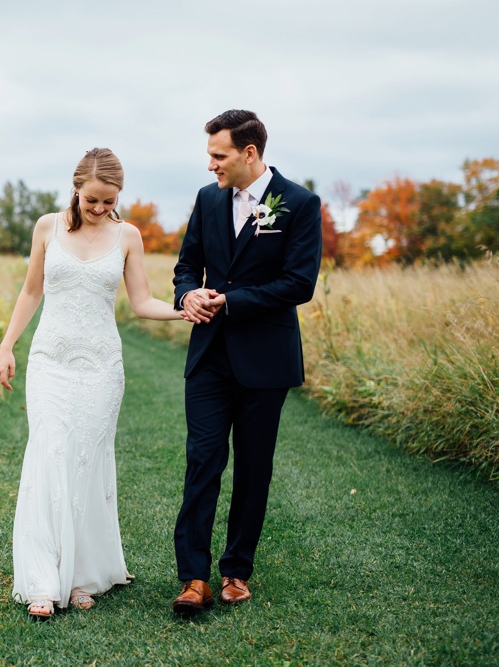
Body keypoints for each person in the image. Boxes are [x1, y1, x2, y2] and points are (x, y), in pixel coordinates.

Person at [0, 148, 186, 619]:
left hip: (101, 367)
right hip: (49, 361)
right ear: (77, 187)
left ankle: (82, 575)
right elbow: (31, 291)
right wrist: (6, 346)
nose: (101, 209)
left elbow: (142, 301)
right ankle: (43, 578)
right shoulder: (47, 227)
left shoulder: (128, 236)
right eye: (93, 200)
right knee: (49, 453)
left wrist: (186, 310)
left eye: (110, 201)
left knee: (87, 462)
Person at [170, 110, 322, 613]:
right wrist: (189, 294)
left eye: (219, 155)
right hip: (210, 355)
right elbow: (187, 264)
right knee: (203, 460)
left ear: (249, 153)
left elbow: (299, 283)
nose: (210, 164)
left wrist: (232, 302)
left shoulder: (299, 203)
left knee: (254, 467)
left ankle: (237, 570)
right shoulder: (207, 200)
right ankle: (193, 577)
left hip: (265, 359)